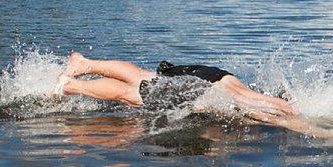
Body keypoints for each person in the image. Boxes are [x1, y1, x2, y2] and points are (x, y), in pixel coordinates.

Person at [55, 52, 297, 121]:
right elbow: (284, 119)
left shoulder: (272, 102)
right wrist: (330, 135)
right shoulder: (271, 110)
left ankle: (84, 64)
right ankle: (70, 85)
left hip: (214, 75)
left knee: (144, 76)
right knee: (133, 94)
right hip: (201, 88)